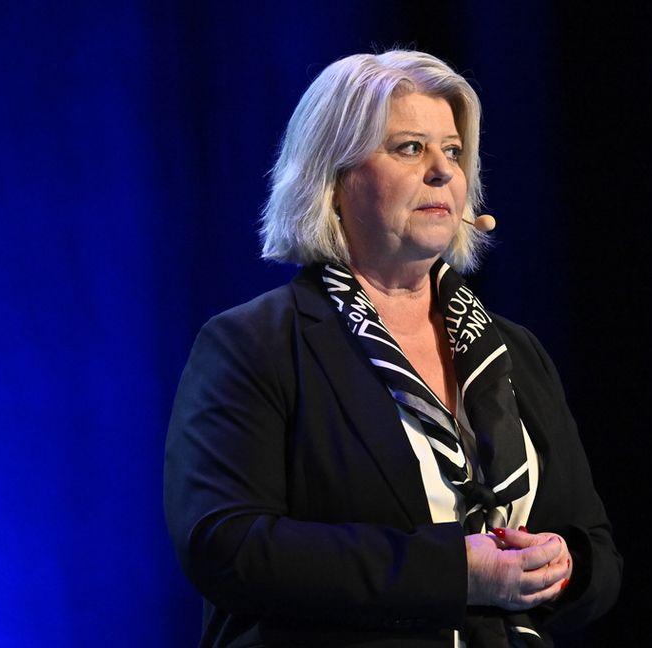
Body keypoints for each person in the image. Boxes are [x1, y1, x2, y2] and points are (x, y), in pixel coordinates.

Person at [164, 50, 622, 647]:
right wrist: (457, 572)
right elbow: (226, 545)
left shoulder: (513, 350)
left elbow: (598, 553)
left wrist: (561, 565)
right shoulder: (255, 345)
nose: (442, 172)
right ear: (333, 181)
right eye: (410, 148)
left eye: (452, 151)